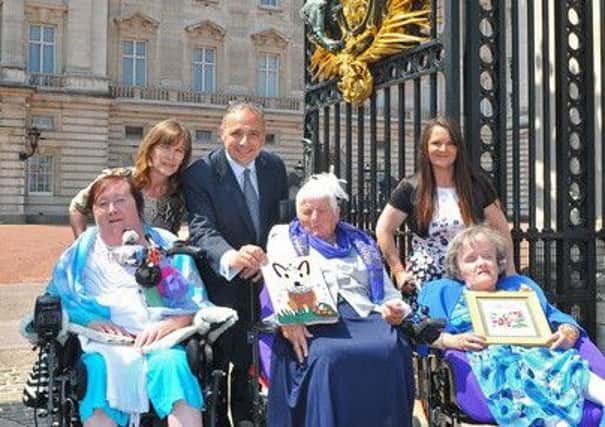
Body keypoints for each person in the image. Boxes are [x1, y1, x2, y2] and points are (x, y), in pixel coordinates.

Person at [47, 174, 209, 427]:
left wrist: (174, 323)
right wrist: (90, 320)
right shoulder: (79, 253)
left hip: (161, 339)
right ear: (93, 212)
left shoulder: (165, 243)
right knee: (97, 371)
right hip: (103, 342)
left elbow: (195, 300)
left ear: (138, 205)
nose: (111, 209)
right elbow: (58, 299)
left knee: (174, 365)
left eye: (120, 200)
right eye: (102, 204)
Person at [265, 173, 415, 427]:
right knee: (329, 355)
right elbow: (279, 283)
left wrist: (396, 308)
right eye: (306, 211)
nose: (313, 218)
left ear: (337, 213)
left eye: (322, 211)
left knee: (393, 346)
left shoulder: (361, 242)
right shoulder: (284, 237)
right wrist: (289, 320)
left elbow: (388, 292)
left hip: (364, 313)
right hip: (313, 317)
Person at [418, 225, 605, 426]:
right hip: (489, 358)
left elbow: (555, 316)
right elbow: (422, 333)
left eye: (487, 257)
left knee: (554, 360)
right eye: (471, 259)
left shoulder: (518, 287)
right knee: (512, 366)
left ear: (499, 264)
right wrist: (452, 340)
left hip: (537, 354)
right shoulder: (445, 293)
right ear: (458, 270)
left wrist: (568, 330)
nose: (481, 263)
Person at [182, 102, 288, 426]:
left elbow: (282, 223)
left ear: (264, 135)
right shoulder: (200, 173)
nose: (245, 141)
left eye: (254, 133)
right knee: (217, 368)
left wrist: (267, 258)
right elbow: (201, 227)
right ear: (221, 133)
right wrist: (232, 257)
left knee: (249, 364)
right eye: (237, 133)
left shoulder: (275, 167)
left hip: (261, 283)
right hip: (220, 283)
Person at [375, 117, 515, 294]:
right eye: (436, 143)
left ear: (458, 149)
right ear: (425, 148)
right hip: (427, 279)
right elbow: (383, 229)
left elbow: (502, 229)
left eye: (450, 143)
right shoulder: (410, 187)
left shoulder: (477, 185)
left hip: (473, 275)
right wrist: (398, 271)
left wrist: (510, 272)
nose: (443, 149)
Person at [69, 118, 192, 237]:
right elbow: (77, 207)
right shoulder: (119, 179)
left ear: (183, 158)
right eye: (165, 147)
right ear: (150, 149)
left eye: (179, 151)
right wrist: (81, 244)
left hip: (160, 257)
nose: (171, 156)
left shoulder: (182, 192)